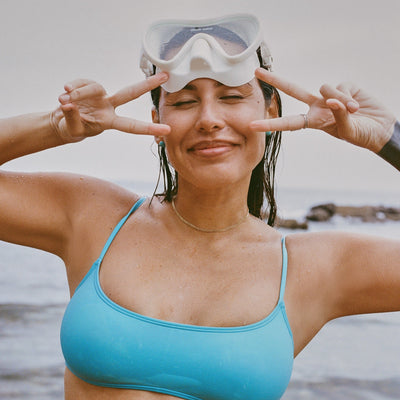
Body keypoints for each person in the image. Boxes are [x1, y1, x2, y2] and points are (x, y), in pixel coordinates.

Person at [0, 13, 399, 400]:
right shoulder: (95, 217)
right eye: (185, 101)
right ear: (156, 118)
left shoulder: (316, 268)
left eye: (230, 97)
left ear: (271, 110)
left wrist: (386, 138)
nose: (209, 119)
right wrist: (55, 126)